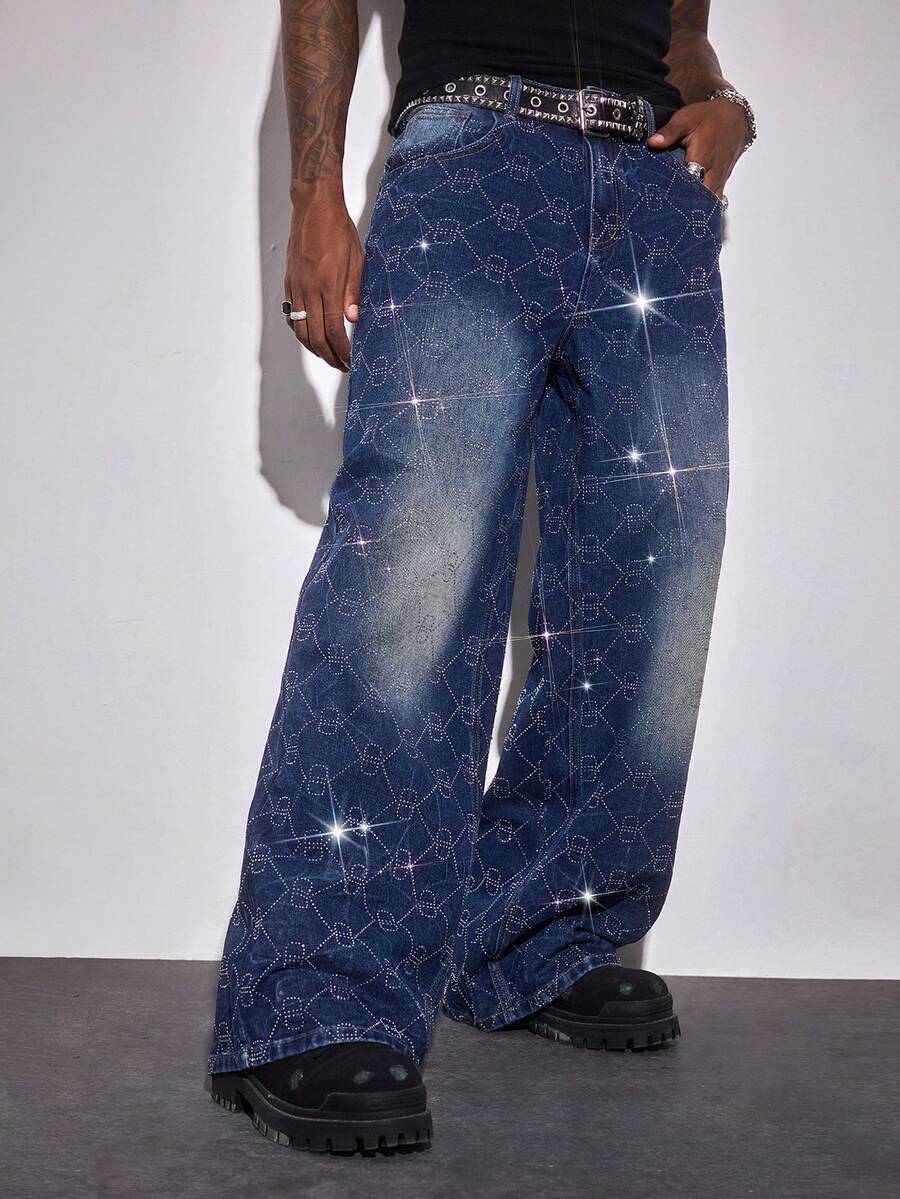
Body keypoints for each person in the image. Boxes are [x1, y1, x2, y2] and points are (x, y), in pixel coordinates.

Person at [207, 0, 755, 1154]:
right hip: (476, 157)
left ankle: (533, 935)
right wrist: (314, 195)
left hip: (653, 189)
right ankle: (314, 997)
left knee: (653, 582)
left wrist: (725, 103)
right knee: (416, 569)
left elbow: (682, 26)